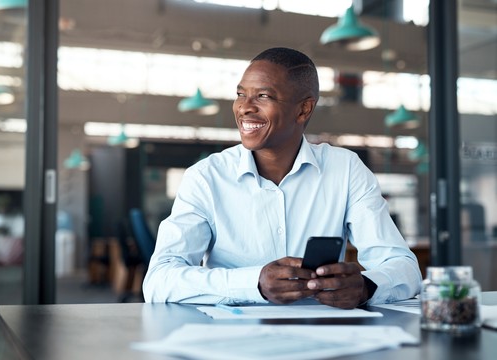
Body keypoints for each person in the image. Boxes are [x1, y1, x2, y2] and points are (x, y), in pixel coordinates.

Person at [143, 47, 422, 309]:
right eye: (241, 94)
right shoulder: (206, 177)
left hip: (323, 338)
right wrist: (254, 284)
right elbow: (158, 281)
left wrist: (366, 287)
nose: (244, 108)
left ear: (303, 110)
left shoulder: (345, 169)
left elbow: (403, 267)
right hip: (234, 340)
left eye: (263, 96)